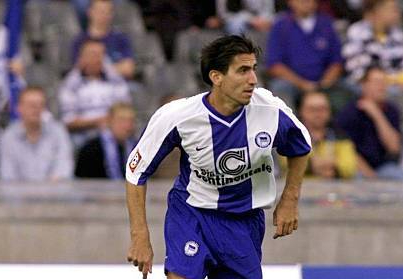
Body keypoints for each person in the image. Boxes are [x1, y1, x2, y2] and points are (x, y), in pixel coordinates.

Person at [125, 35, 311, 279]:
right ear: (217, 77)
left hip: (244, 221)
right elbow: (136, 172)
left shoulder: (271, 111)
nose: (253, 80)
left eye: (253, 69)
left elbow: (301, 147)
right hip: (193, 214)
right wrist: (140, 236)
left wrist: (290, 198)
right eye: (242, 70)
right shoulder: (177, 116)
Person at [266, 0, 343, 108]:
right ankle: (288, 124)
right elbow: (275, 65)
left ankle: (337, 125)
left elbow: (337, 62)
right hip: (292, 83)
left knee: (349, 89)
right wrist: (303, 84)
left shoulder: (327, 24)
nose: (305, 1)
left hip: (324, 83)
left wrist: (324, 83)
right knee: (280, 88)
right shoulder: (280, 26)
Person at [59, 39, 131, 148]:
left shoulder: (115, 81)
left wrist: (112, 123)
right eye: (93, 54)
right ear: (82, 58)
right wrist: (98, 122)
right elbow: (69, 121)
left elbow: (125, 110)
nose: (98, 58)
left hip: (114, 133)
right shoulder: (70, 85)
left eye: (101, 54)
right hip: (84, 137)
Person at [336, 67, 403, 179]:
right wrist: (370, 176)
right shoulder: (350, 112)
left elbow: (394, 148)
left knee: (398, 176)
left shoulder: (392, 110)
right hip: (357, 167)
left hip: (384, 166)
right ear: (364, 85)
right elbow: (346, 149)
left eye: (384, 82)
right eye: (377, 82)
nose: (381, 87)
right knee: (353, 177)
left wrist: (376, 114)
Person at [0, 86, 73, 181]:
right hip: (18, 194)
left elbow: (63, 168)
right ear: (19, 108)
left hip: (54, 193)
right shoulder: (8, 137)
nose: (36, 109)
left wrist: (48, 192)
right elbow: (8, 175)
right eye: (31, 105)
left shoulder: (58, 132)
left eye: (41, 105)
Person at [343, 0, 403, 87]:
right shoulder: (357, 31)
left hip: (396, 86)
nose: (397, 13)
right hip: (364, 86)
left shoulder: (398, 34)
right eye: (392, 9)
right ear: (377, 11)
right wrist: (388, 80)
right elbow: (357, 71)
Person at [298, 91, 357, 179]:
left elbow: (349, 168)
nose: (317, 113)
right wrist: (312, 164)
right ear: (301, 111)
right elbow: (286, 163)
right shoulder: (293, 137)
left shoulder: (341, 137)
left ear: (329, 111)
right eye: (312, 109)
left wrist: (317, 165)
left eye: (322, 109)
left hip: (337, 190)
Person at [71, 0, 136, 80]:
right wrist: (115, 68)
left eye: (107, 11)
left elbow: (128, 69)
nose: (104, 15)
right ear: (90, 12)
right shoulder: (80, 41)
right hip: (87, 87)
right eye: (100, 11)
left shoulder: (121, 39)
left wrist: (97, 68)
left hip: (117, 86)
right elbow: (79, 70)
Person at [75, 102, 137, 178]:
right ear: (109, 121)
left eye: (131, 121)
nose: (127, 126)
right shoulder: (91, 150)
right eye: (122, 120)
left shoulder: (137, 148)